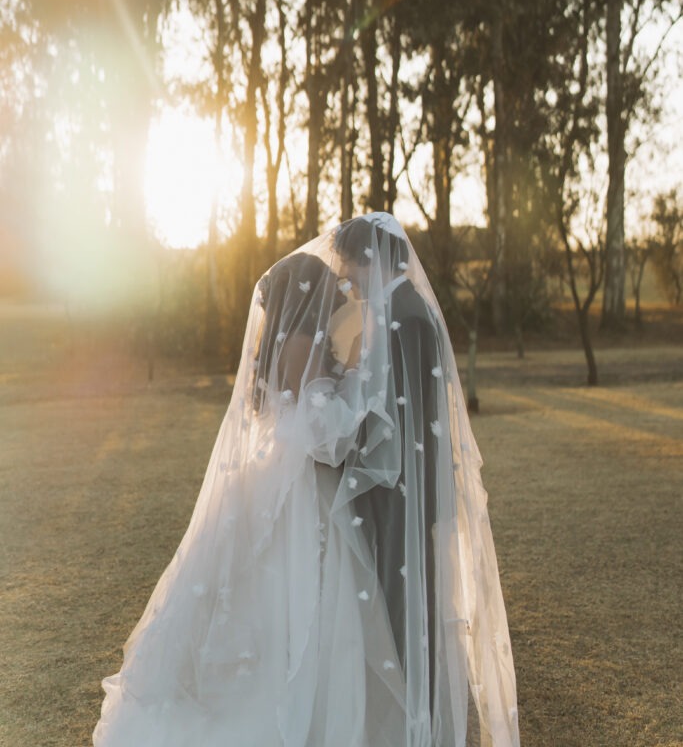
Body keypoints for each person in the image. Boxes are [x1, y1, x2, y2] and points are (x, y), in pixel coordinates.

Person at [93, 213, 520, 747]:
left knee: (291, 615)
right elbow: (320, 431)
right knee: (304, 614)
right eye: (333, 282)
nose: (344, 284)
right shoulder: (312, 342)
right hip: (303, 489)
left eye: (346, 271)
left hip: (295, 484)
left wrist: (353, 390)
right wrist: (354, 398)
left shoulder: (350, 329)